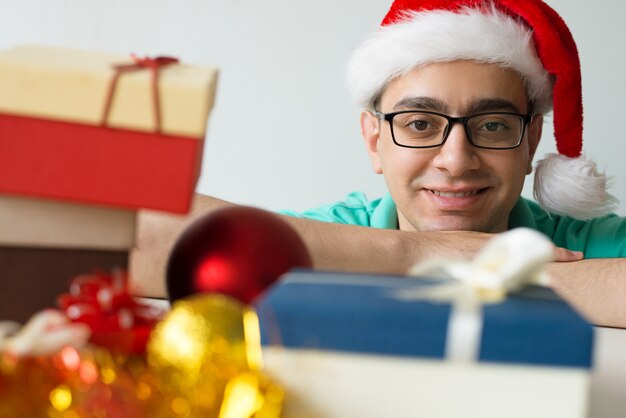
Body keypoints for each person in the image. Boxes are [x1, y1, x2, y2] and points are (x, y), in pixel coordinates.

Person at [131, 0, 626, 327]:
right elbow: (130, 236)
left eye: (493, 125)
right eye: (419, 123)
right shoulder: (332, 235)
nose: (456, 160)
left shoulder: (589, 244)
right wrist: (417, 257)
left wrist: (502, 273)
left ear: (531, 140)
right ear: (374, 141)